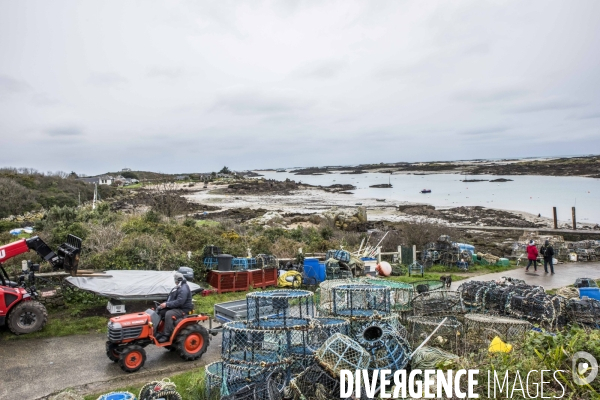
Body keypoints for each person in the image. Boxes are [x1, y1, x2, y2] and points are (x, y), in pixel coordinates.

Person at [156, 272, 193, 343]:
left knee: (169, 314)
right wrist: (165, 304)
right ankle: (158, 331)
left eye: (175, 279)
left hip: (183, 309)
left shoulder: (183, 288)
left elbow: (180, 302)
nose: (174, 281)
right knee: (161, 311)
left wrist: (167, 304)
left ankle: (166, 335)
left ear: (178, 280)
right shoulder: (179, 287)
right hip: (178, 307)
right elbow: (173, 299)